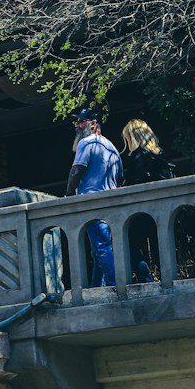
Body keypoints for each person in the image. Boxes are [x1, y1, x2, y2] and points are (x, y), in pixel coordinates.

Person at [66, 108, 123, 286]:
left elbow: (77, 170)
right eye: (77, 122)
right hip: (112, 203)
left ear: (93, 124)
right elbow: (121, 176)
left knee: (101, 247)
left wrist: (69, 194)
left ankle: (114, 287)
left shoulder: (86, 143)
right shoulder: (111, 146)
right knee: (99, 250)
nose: (78, 126)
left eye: (81, 121)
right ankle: (97, 287)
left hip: (92, 202)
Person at [120, 119, 172, 282]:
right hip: (163, 207)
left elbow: (135, 183)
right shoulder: (159, 154)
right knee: (160, 247)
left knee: (128, 244)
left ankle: (146, 279)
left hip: (143, 208)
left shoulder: (138, 156)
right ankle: (168, 280)